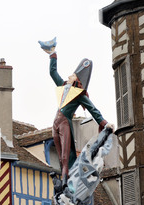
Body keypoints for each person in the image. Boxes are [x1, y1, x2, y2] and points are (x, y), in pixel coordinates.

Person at [42, 44, 114, 193]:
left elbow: (93, 109)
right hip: (55, 123)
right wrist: (53, 55)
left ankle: (65, 183)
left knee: (65, 154)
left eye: (72, 75)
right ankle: (64, 183)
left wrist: (104, 123)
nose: (68, 76)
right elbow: (52, 72)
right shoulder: (63, 87)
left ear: (77, 79)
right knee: (61, 154)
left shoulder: (79, 94)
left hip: (64, 123)